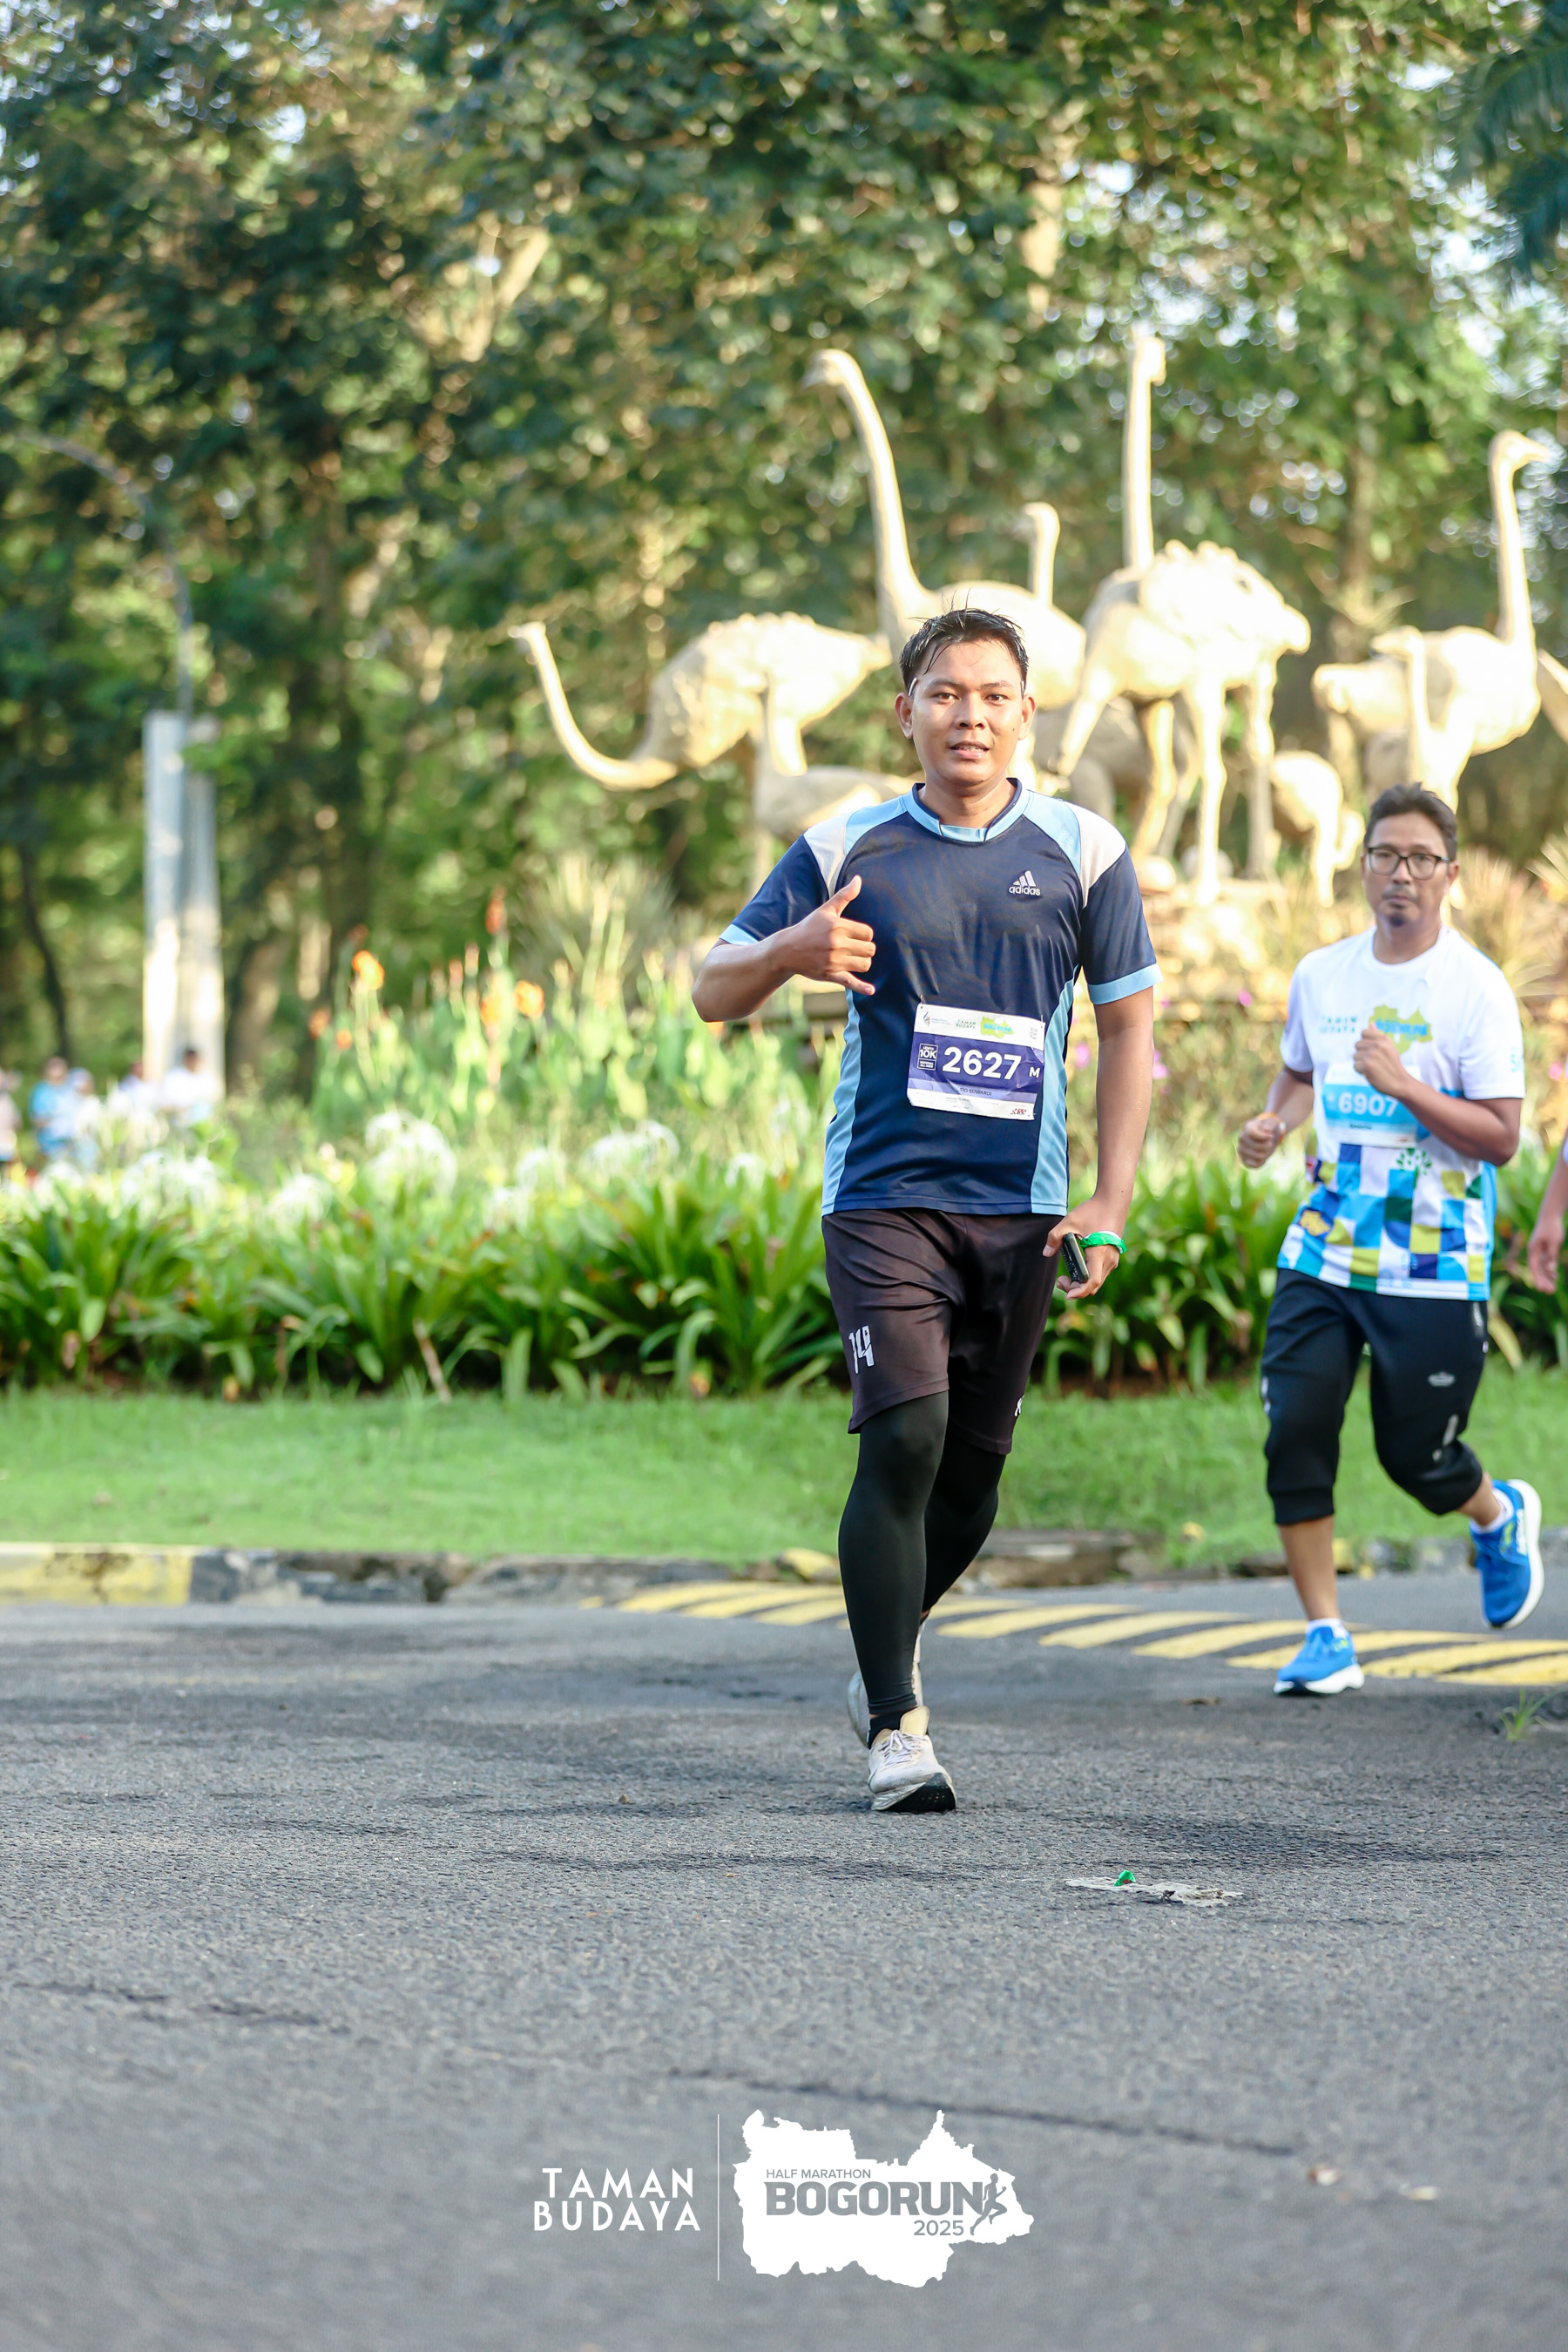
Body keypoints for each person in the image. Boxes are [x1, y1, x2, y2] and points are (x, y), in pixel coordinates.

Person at [692, 608, 1157, 1812]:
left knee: (972, 1480)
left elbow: (1129, 1032)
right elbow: (710, 987)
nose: (970, 716)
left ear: (1028, 715)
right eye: (946, 694)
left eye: (994, 696)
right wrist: (790, 948)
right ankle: (898, 1725)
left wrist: (1110, 1197)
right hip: (885, 1196)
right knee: (903, 1438)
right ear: (905, 712)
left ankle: (879, 1649)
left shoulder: (1085, 850)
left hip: (1024, 1209)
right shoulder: (846, 842)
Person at [1238, 782, 1540, 1696]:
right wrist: (1276, 1121)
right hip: (1327, 1245)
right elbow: (1300, 1072)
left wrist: (1406, 1085)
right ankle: (1325, 1634)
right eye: (1384, 856)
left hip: (1433, 1260)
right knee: (1295, 1427)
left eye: (1419, 858)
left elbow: (1501, 1137)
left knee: (1418, 1458)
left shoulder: (1476, 989)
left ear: (1450, 874)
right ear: (1362, 866)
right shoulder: (1322, 975)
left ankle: (1496, 1515)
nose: (1400, 873)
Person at [29, 1055, 78, 1159]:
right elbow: (37, 1118)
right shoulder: (41, 1092)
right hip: (49, 1145)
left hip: (72, 1144)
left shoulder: (71, 1090)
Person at [158, 1045, 216, 1126]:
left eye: (194, 1059)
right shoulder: (174, 1077)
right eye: (190, 1059)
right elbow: (166, 1102)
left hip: (201, 1123)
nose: (192, 1062)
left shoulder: (206, 1078)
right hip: (178, 1121)